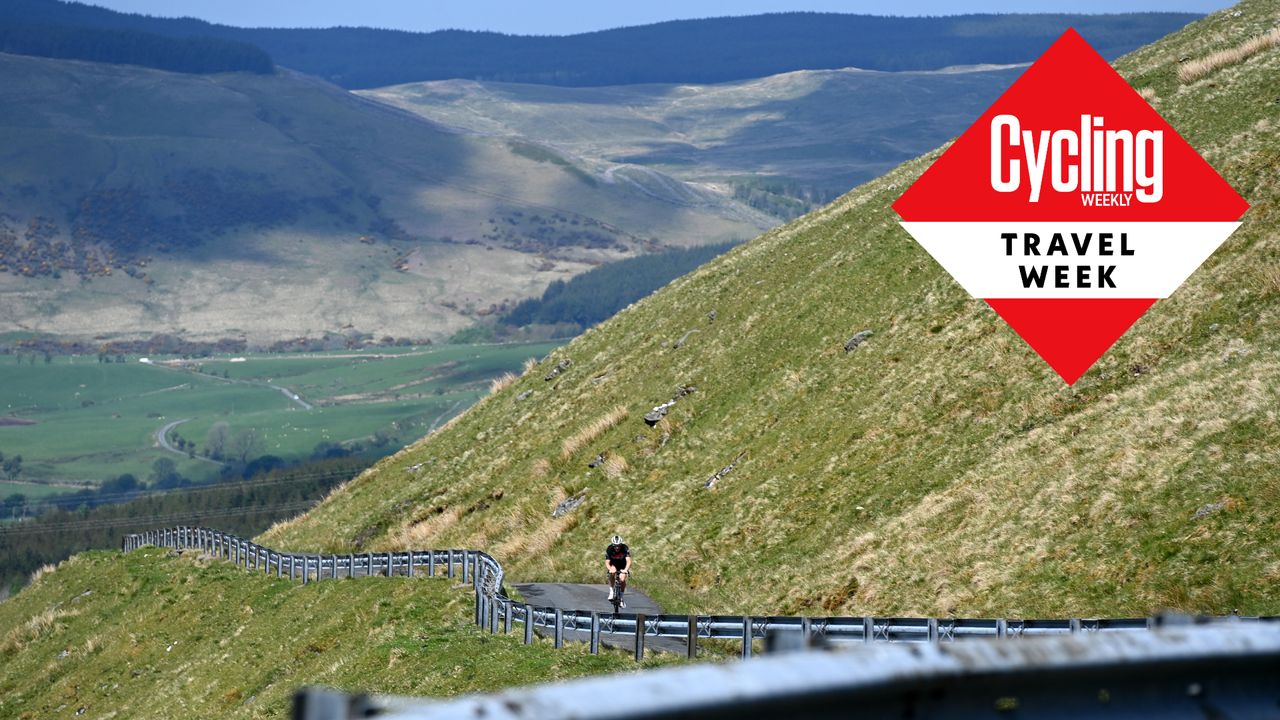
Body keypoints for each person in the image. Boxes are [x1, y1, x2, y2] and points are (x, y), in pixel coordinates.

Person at [604, 534, 631, 606]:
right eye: (615, 546)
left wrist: (625, 570)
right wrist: (610, 569)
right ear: (613, 545)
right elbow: (607, 562)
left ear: (621, 544)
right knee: (612, 572)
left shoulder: (625, 548)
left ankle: (621, 597)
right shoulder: (609, 549)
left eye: (618, 545)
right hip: (614, 564)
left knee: (622, 579)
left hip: (623, 565)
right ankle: (611, 591)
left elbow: (628, 561)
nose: (617, 547)